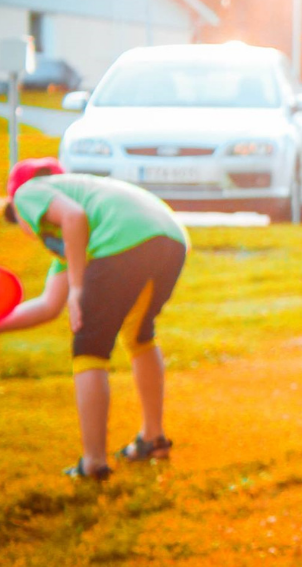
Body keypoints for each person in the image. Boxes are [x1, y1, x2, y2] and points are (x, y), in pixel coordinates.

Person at [1, 159, 189, 481]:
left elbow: (72, 216)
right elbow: (49, 305)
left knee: (89, 346)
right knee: (139, 335)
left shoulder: (28, 193)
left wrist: (77, 289)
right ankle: (153, 439)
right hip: (169, 237)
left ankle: (93, 463)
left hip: (127, 239)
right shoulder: (78, 236)